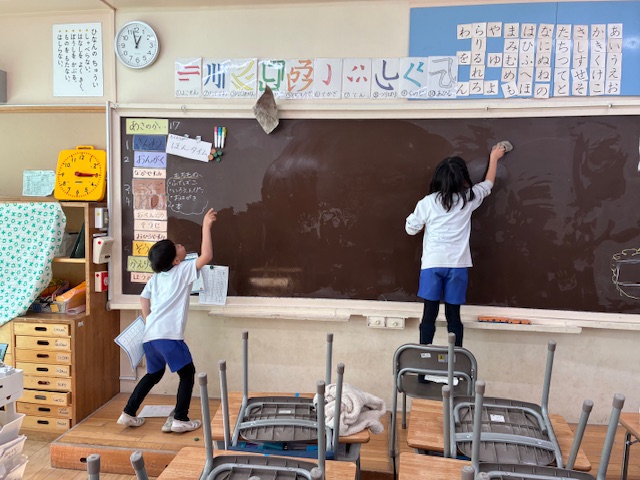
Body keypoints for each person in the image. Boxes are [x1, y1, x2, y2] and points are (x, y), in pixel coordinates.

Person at [117, 208, 217, 433]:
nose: (181, 245)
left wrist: (148, 320)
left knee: (153, 374)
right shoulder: (182, 270)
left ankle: (128, 413)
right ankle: (180, 418)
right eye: (177, 246)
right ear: (176, 260)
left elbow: (144, 298)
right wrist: (206, 226)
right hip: (169, 338)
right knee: (187, 374)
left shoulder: (157, 277)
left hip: (150, 337)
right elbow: (207, 256)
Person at [405, 144, 507, 349]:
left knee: (429, 316)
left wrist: (424, 224)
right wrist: (494, 158)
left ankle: (424, 359)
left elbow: (410, 229)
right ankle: (457, 359)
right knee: (454, 317)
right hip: (457, 266)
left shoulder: (427, 203)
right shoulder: (468, 198)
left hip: (432, 265)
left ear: (438, 179)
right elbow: (488, 184)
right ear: (463, 179)